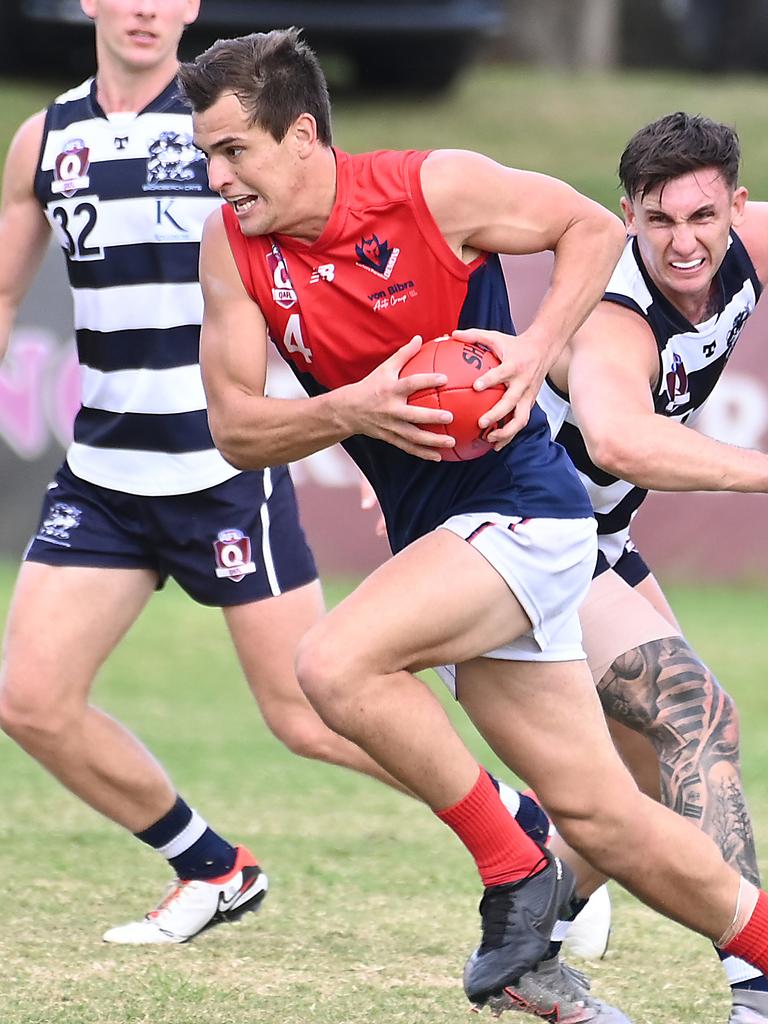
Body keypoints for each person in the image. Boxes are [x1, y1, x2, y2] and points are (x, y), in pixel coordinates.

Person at [179, 28, 768, 1012]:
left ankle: (515, 863)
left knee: (332, 663)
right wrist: (347, 410)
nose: (217, 176)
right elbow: (238, 429)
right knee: (607, 817)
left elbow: (584, 226)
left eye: (233, 150)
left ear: (303, 136)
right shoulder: (231, 250)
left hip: (528, 512)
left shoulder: (431, 188)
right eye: (207, 154)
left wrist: (537, 348)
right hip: (448, 543)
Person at [0, 0, 466, 949]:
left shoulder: (226, 129)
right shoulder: (45, 140)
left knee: (308, 712)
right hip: (102, 476)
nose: (143, 9)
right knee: (28, 699)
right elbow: (8, 290)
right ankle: (213, 866)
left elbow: (321, 260)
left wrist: (362, 438)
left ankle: (523, 827)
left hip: (222, 466)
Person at [527, 110, 768, 1024]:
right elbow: (623, 438)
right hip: (521, 535)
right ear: (625, 213)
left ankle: (524, 949)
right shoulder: (615, 311)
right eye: (659, 220)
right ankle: (761, 988)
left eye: (703, 218)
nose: (684, 242)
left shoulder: (743, 244)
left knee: (635, 784)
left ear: (735, 208)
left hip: (596, 543)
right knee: (694, 714)